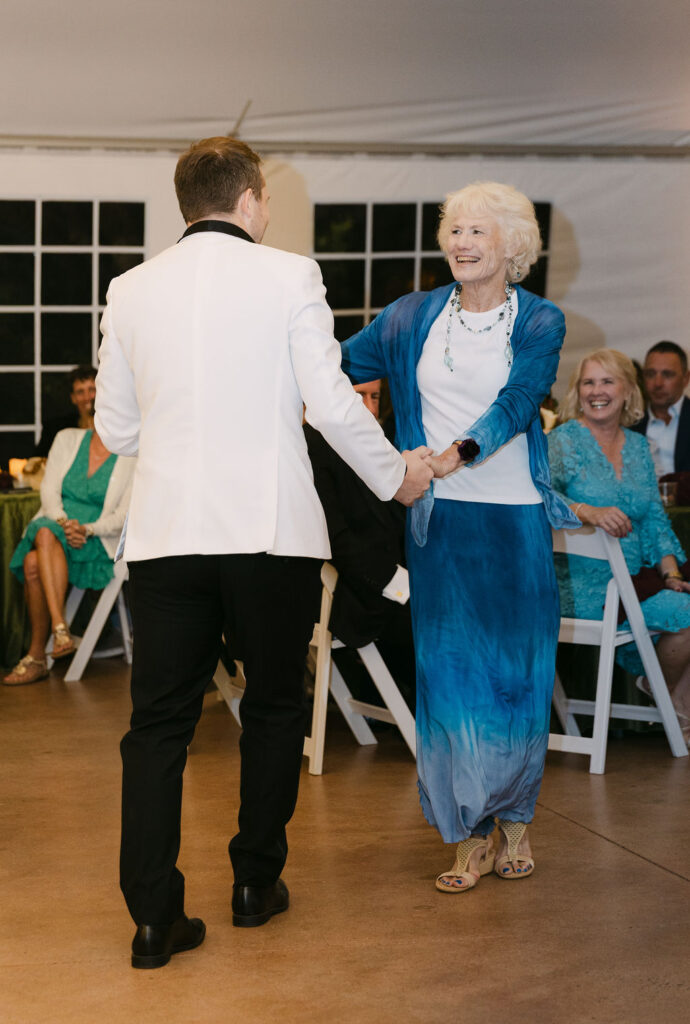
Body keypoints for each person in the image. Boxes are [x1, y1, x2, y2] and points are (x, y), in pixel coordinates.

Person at [94, 135, 432, 969]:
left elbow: (116, 429)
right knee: (276, 705)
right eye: (267, 197)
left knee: (157, 727)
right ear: (250, 196)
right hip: (269, 533)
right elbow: (332, 403)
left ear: (187, 202)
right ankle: (254, 883)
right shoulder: (291, 276)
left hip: (169, 536)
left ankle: (152, 920)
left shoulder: (131, 288)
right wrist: (394, 477)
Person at [340, 181, 576, 894]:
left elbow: (517, 403)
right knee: (447, 678)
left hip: (512, 517)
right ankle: (465, 832)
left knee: (518, 674)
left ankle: (516, 819)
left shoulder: (540, 320)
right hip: (439, 522)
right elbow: (334, 368)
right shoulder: (409, 317)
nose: (461, 243)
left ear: (512, 246)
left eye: (477, 231)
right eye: (454, 231)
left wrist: (456, 453)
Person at [548, 349, 690, 745]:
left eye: (607, 381)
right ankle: (674, 700)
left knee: (685, 605)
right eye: (588, 382)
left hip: (636, 580)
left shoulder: (640, 447)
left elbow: (655, 520)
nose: (597, 391)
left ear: (628, 390)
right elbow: (539, 499)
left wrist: (671, 573)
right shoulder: (562, 441)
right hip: (582, 586)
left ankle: (667, 693)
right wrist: (586, 510)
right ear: (578, 391)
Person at [304, 381, 416, 709]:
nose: (368, 406)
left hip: (394, 579)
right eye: (358, 395)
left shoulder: (381, 443)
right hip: (357, 592)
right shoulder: (315, 443)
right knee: (445, 619)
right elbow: (335, 538)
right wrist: (399, 585)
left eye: (375, 396)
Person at [3, 426, 135, 685]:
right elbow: (48, 492)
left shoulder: (131, 452)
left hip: (96, 540)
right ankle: (59, 629)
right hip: (58, 524)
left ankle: (38, 654)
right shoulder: (67, 438)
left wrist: (87, 529)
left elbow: (124, 514)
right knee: (43, 535)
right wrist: (65, 523)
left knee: (33, 561)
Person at [632, 341, 690, 475]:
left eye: (667, 374)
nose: (658, 383)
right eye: (650, 374)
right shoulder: (631, 424)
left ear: (685, 379)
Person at [35, 365, 98, 457]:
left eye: (92, 390)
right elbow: (37, 461)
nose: (87, 397)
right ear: (73, 398)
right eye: (80, 392)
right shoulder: (55, 430)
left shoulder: (115, 427)